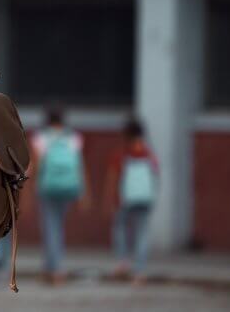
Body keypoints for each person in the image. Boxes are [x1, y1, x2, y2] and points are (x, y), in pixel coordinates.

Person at [31, 104, 91, 286]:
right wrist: (84, 193)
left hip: (47, 187)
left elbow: (37, 166)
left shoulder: (41, 138)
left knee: (51, 228)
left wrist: (33, 187)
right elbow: (80, 166)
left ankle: (56, 270)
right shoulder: (73, 138)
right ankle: (49, 268)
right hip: (68, 188)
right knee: (57, 227)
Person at [103, 118, 158, 286]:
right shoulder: (148, 154)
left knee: (119, 227)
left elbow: (113, 178)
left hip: (125, 199)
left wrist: (109, 199)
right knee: (141, 234)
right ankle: (140, 272)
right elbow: (156, 175)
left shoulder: (123, 154)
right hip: (145, 198)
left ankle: (123, 262)